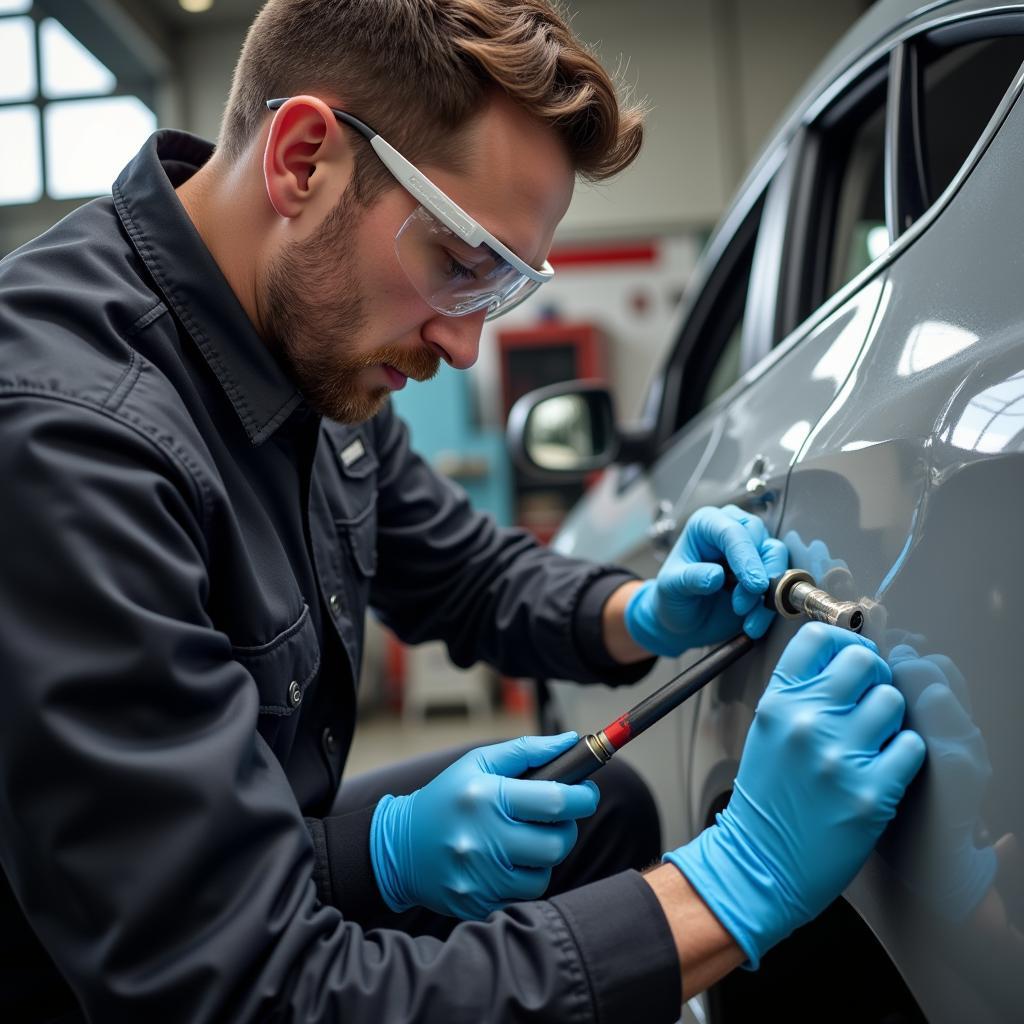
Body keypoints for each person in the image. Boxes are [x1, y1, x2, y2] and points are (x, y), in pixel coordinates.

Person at [0, 1, 926, 1020]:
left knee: (600, 816)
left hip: (201, 875)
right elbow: (242, 989)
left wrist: (643, 612)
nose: (464, 346)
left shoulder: (306, 348)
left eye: (500, 289)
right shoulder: (70, 440)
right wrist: (730, 885)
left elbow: (467, 574)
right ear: (303, 161)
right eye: (455, 262)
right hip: (109, 972)